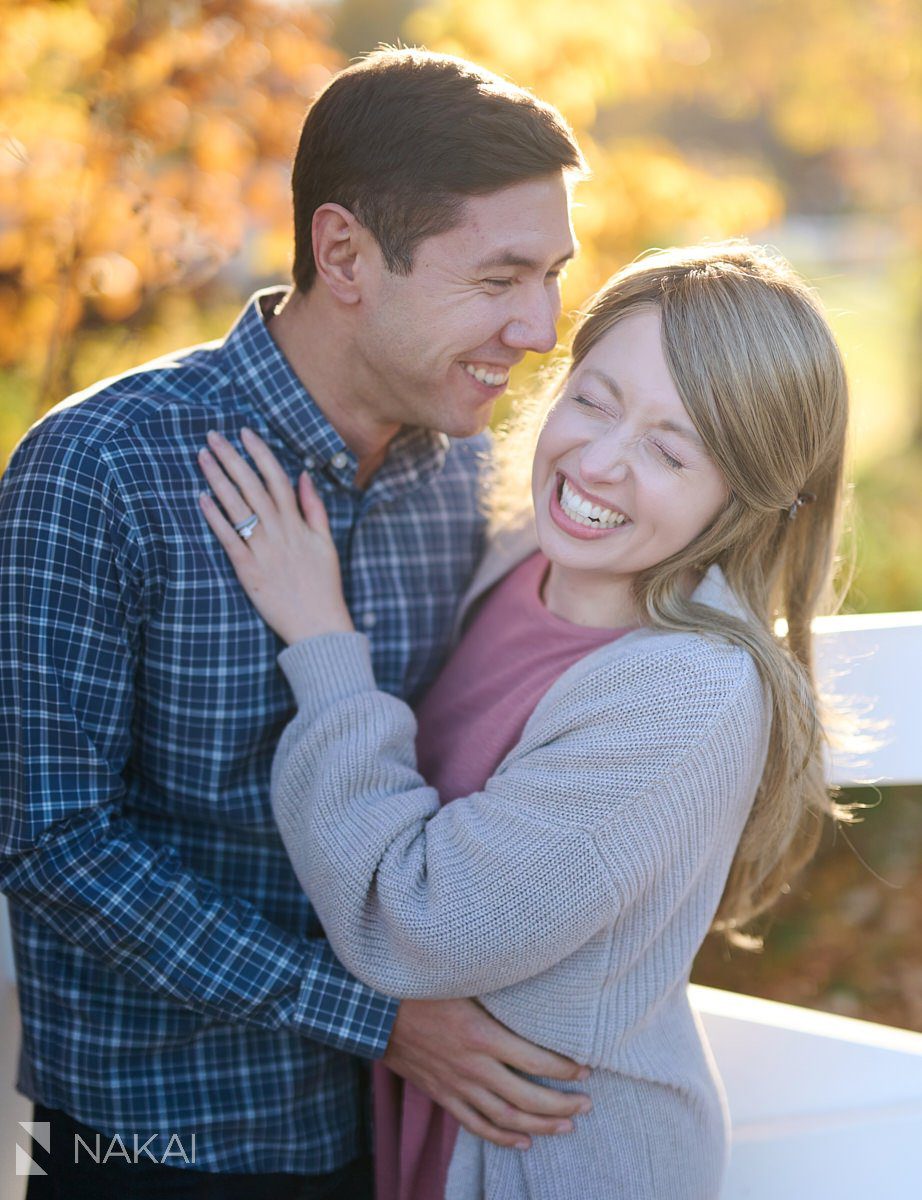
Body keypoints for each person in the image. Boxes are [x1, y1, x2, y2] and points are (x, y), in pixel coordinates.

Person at [0, 49, 591, 1199]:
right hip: (156, 1141)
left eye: (554, 275)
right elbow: (50, 841)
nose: (539, 329)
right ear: (345, 255)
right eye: (500, 278)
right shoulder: (100, 466)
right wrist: (372, 1016)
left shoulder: (473, 477)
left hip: (408, 1134)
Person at [197, 241, 852, 1199]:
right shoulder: (520, 553)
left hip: (563, 1157)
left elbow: (415, 923)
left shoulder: (685, 692)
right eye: (592, 398)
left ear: (747, 501)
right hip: (427, 1130)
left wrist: (320, 636)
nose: (598, 460)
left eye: (670, 451)